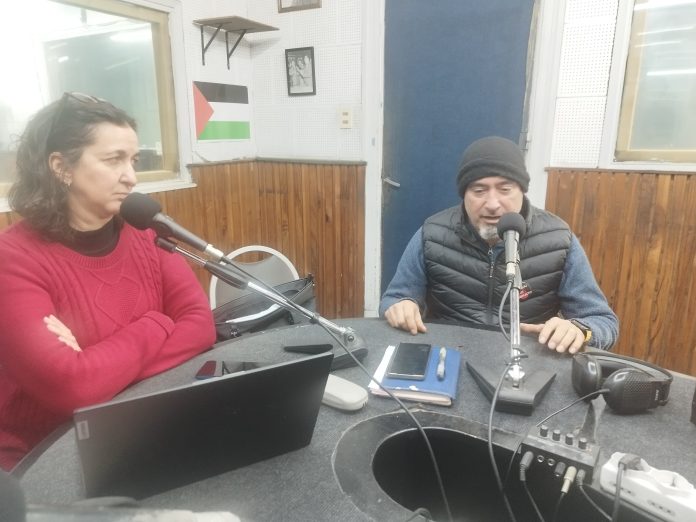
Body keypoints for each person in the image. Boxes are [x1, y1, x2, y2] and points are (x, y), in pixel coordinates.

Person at [0, 93, 216, 471]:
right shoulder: (13, 258)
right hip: (43, 454)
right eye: (114, 159)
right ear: (61, 167)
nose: (131, 176)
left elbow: (200, 326)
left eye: (133, 160)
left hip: (132, 429)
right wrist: (157, 323)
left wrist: (98, 371)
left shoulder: (145, 234)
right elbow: (72, 388)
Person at [380, 136, 619, 355]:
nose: (493, 204)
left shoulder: (559, 239)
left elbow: (603, 322)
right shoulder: (431, 234)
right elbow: (393, 299)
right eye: (479, 190)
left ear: (522, 191)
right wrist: (401, 306)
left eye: (505, 189)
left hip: (529, 364)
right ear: (464, 194)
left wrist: (579, 330)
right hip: (449, 358)